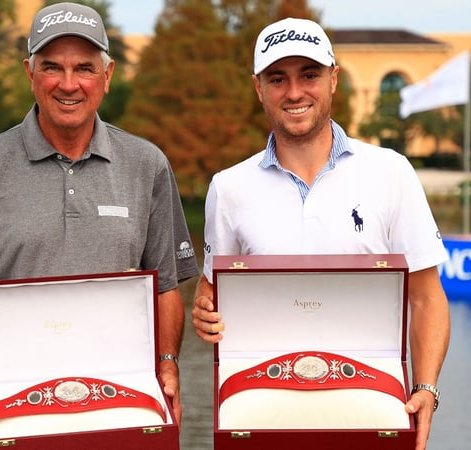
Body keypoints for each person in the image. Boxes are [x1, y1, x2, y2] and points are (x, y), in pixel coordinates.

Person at [0, 3, 199, 449]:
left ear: (107, 77)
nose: (68, 84)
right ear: (30, 73)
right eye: (52, 67)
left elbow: (166, 285)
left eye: (84, 68)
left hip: (120, 405)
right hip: (8, 409)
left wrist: (168, 364)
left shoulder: (147, 164)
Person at [190, 17, 450, 450]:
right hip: (263, 406)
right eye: (278, 78)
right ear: (259, 88)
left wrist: (426, 388)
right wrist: (204, 309)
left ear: (333, 79)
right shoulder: (229, 187)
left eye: (308, 75)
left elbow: (427, 296)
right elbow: (212, 286)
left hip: (370, 402)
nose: (294, 93)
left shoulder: (391, 172)